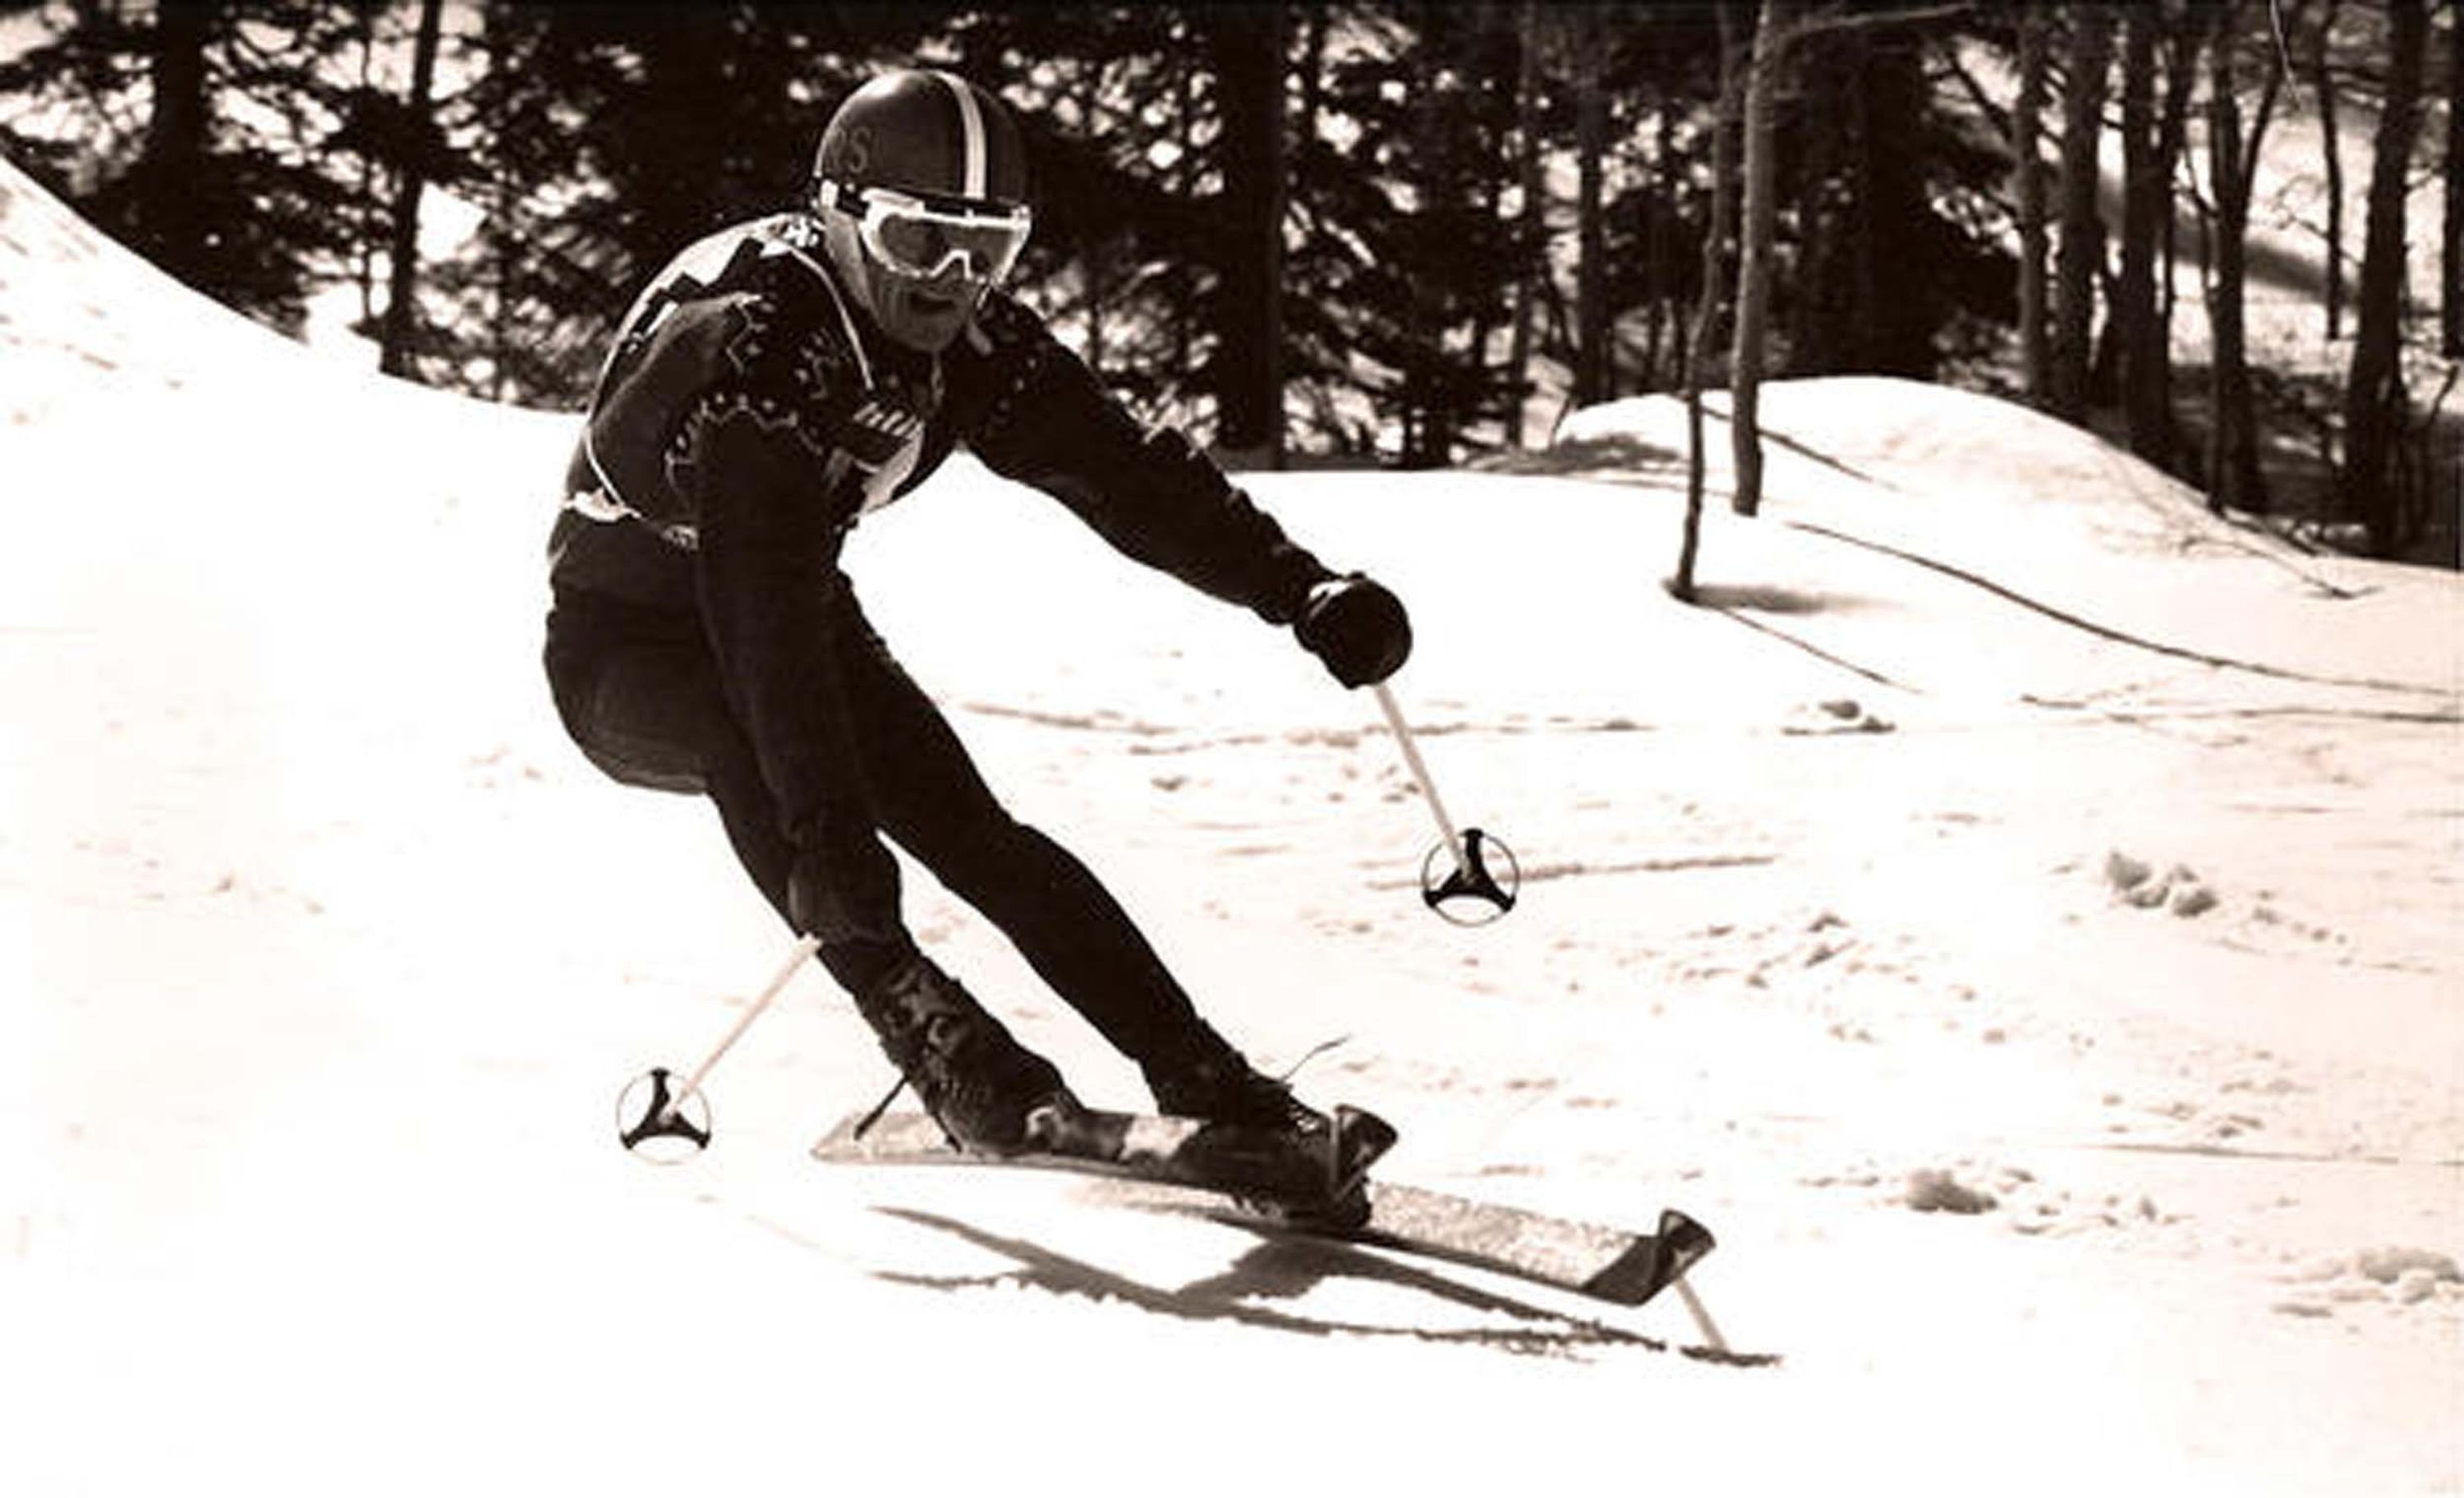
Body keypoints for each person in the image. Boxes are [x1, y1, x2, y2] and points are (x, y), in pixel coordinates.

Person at [543, 68, 1411, 1157]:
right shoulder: (759, 348)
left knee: (970, 828)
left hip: (791, 599)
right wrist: (824, 831)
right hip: (626, 643)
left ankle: (1199, 1067)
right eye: (918, 244)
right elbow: (754, 610)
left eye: (986, 250)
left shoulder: (974, 345)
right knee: (759, 758)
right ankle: (940, 1044)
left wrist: (1299, 588)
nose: (951, 284)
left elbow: (1128, 476)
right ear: (841, 217)